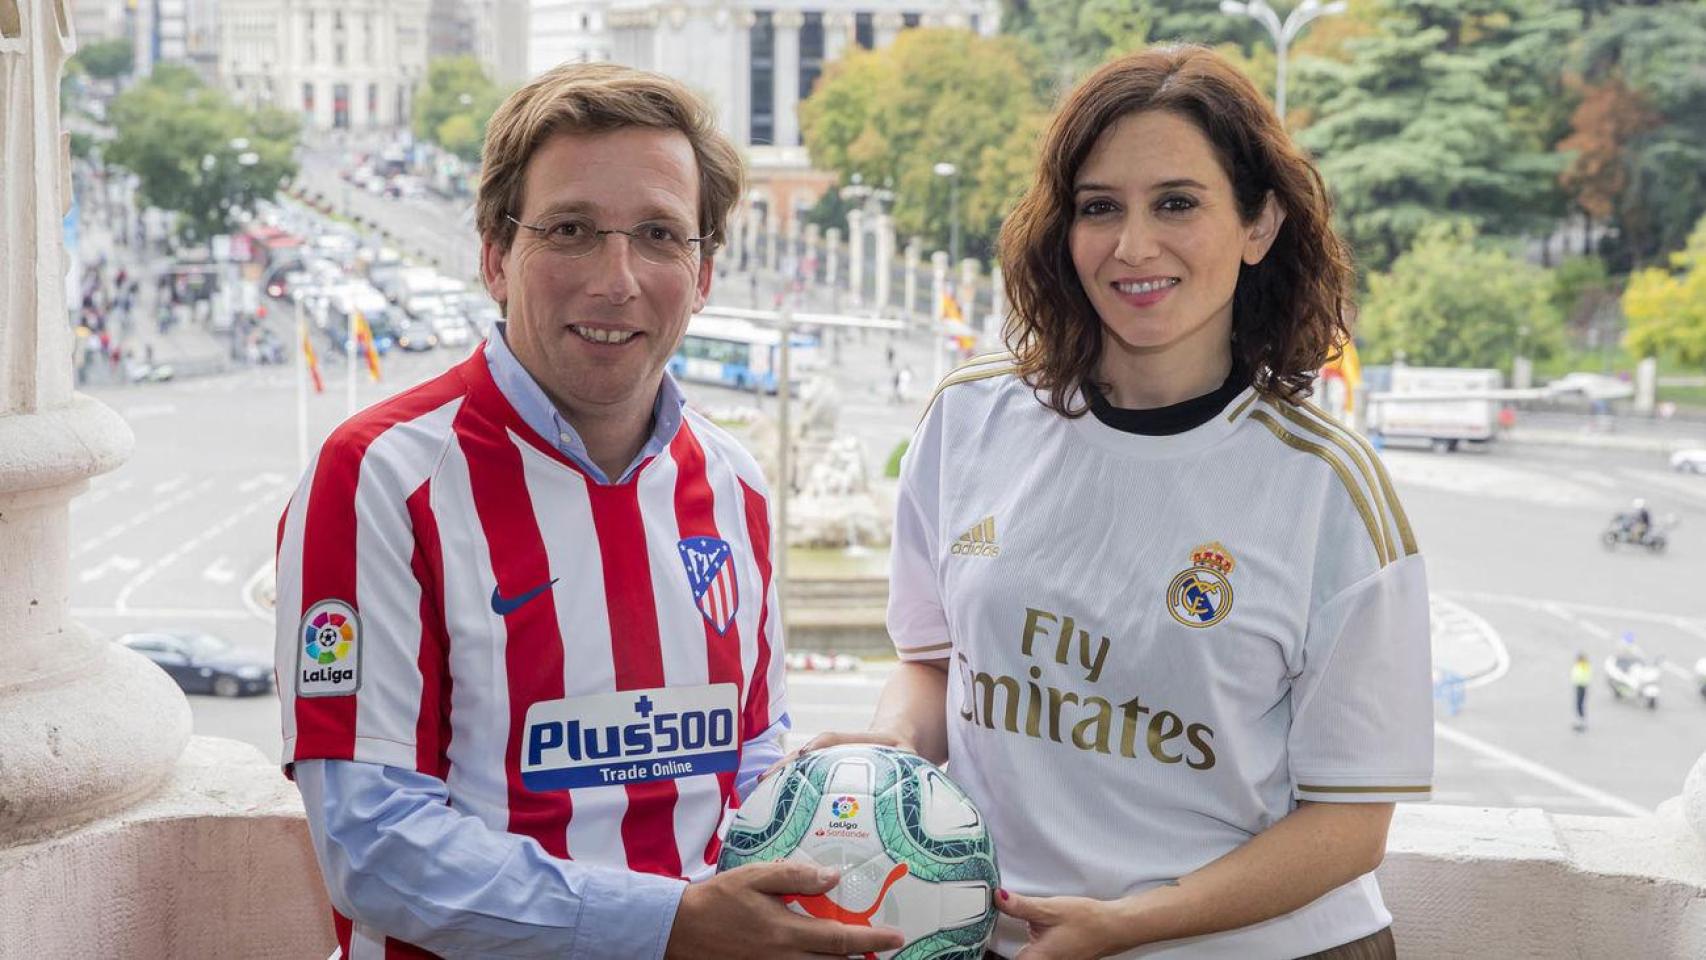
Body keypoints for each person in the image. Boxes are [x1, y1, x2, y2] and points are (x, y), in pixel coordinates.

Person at [799, 45, 1431, 959]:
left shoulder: (1328, 488)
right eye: (1100, 207)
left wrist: (1130, 924)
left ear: (1260, 225)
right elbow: (935, 667)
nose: (1134, 246)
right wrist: (888, 752)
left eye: (1177, 202)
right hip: (997, 939)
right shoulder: (968, 420)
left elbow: (1350, 826)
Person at [274, 63, 903, 960]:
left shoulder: (737, 486)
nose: (618, 280)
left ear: (705, 272)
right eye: (571, 230)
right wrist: (667, 927)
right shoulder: (379, 477)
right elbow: (369, 846)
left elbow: (753, 767)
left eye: (659, 235)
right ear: (495, 256)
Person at [1572, 653, 1592, 732]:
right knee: (1578, 704)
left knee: (1579, 704)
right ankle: (1580, 722)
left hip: (1582, 686)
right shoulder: (1581, 665)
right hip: (1579, 686)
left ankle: (1582, 723)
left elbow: (1582, 676)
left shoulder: (1583, 666)